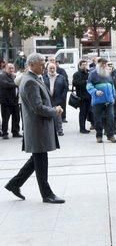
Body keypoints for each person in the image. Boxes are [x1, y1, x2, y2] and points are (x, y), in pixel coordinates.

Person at [4, 52, 65, 204]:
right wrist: (55, 111)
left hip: (38, 127)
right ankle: (47, 194)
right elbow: (37, 107)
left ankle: (14, 184)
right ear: (31, 65)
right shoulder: (30, 81)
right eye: (41, 63)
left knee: (36, 159)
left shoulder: (32, 78)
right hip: (37, 127)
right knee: (41, 161)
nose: (44, 66)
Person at [86, 58, 116, 143]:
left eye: (105, 64)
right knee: (97, 119)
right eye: (102, 64)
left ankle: (110, 135)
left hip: (109, 101)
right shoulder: (93, 74)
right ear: (98, 64)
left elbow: (112, 86)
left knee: (110, 118)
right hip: (98, 101)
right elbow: (88, 86)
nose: (104, 65)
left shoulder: (108, 74)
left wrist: (113, 97)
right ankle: (99, 136)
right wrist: (95, 92)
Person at [43, 63, 68, 136]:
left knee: (58, 115)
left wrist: (62, 97)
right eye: (50, 68)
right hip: (47, 99)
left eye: (53, 68)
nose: (52, 70)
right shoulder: (44, 77)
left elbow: (65, 88)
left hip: (58, 99)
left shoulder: (61, 77)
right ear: (47, 69)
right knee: (48, 114)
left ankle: (59, 130)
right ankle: (50, 131)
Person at [0, 63, 22, 139]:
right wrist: (17, 83)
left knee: (16, 117)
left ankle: (15, 132)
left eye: (12, 68)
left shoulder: (14, 76)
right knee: (6, 119)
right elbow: (6, 84)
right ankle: (4, 133)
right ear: (5, 69)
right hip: (6, 102)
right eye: (9, 68)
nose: (11, 70)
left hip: (15, 101)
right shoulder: (2, 76)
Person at [72, 60, 93, 134]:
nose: (84, 66)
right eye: (83, 65)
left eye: (85, 64)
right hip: (82, 97)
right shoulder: (76, 74)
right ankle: (82, 128)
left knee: (88, 111)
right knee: (82, 113)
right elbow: (75, 83)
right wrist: (85, 82)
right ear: (80, 65)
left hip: (89, 96)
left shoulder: (88, 73)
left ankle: (90, 125)